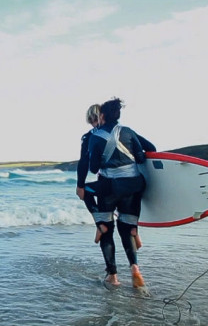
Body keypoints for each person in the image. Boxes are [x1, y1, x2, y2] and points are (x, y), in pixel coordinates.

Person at [87, 97, 156, 288]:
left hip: (109, 188)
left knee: (107, 231)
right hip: (133, 186)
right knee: (127, 229)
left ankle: (113, 276)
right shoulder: (128, 131)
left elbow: (93, 168)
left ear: (102, 116)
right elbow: (147, 153)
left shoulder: (95, 136)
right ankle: (135, 268)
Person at [76, 104, 114, 244]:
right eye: (91, 120)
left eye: (95, 119)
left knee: (107, 224)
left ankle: (99, 225)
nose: (93, 123)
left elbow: (85, 162)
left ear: (102, 117)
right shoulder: (120, 132)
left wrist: (80, 185)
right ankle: (134, 232)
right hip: (124, 181)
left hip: (106, 183)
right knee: (126, 221)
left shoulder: (89, 137)